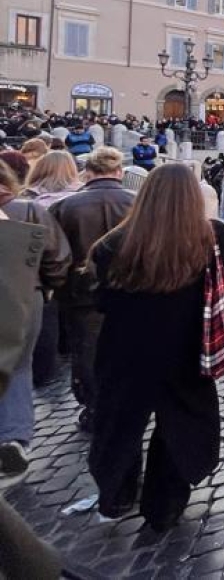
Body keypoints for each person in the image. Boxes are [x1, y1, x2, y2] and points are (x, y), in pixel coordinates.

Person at [86, 165, 224, 529]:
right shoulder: (213, 238)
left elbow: (101, 301)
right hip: (185, 350)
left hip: (124, 350)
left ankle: (115, 494)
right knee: (181, 428)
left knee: (119, 425)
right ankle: (164, 506)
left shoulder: (114, 244)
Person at [48, 146, 134, 432]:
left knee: (86, 351)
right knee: (128, 346)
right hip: (131, 290)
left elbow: (55, 254)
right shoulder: (137, 203)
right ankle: (125, 403)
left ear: (89, 172)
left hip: (81, 293)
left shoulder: (65, 207)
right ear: (119, 172)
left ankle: (95, 406)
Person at [0, 161, 69, 482]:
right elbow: (57, 257)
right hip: (27, 296)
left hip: (30, 294)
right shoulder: (28, 209)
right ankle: (13, 437)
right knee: (19, 367)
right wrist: (49, 287)